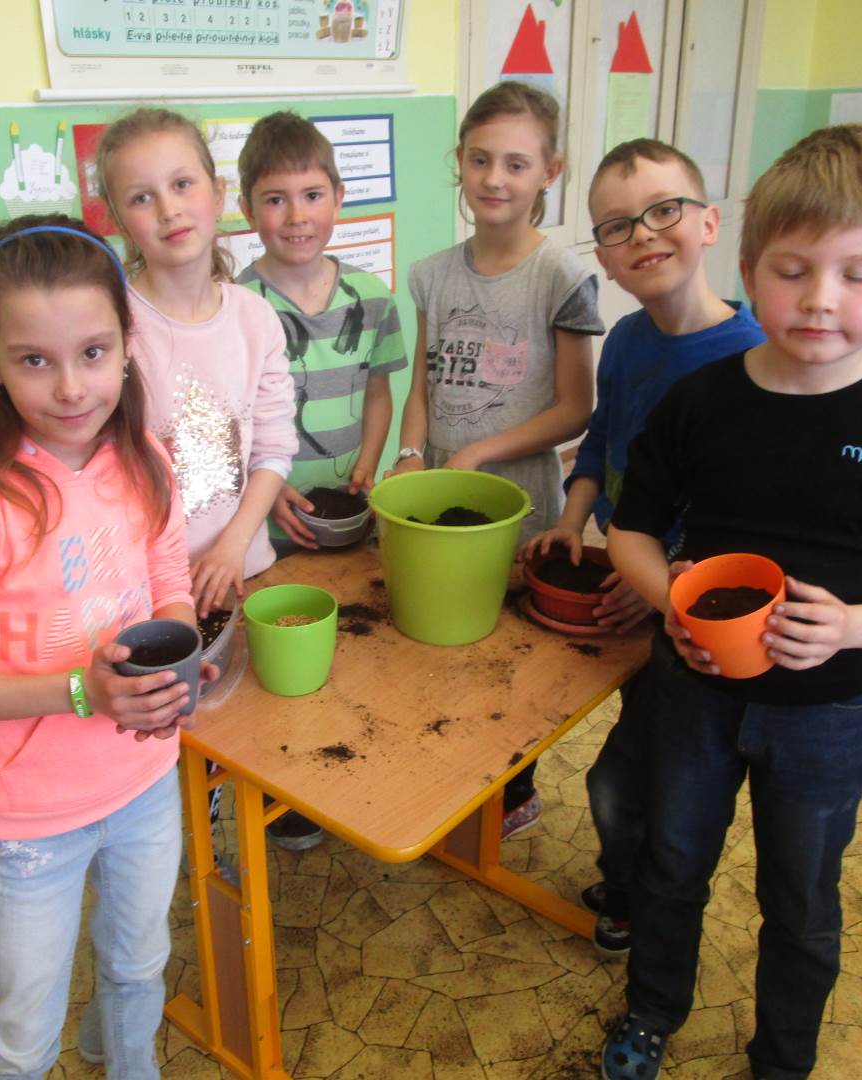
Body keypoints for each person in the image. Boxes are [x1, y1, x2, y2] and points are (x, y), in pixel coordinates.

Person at [598, 123, 862, 1080]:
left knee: (801, 897)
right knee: (669, 864)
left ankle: (782, 1058)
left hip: (826, 711)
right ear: (747, 268)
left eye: (857, 274)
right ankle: (651, 1011)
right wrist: (672, 601)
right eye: (791, 270)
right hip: (693, 691)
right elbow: (631, 533)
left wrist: (852, 626)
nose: (819, 299)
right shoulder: (699, 402)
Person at [0, 216, 213, 1080]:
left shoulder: (143, 456)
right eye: (34, 359)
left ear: (125, 344)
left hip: (144, 779)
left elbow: (167, 574)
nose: (71, 388)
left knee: (138, 966)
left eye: (93, 353)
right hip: (31, 815)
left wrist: (179, 653)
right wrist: (80, 692)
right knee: (21, 1035)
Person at [519, 139, 764, 959]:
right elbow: (598, 443)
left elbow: (739, 520)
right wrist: (572, 517)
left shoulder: (749, 360)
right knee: (623, 766)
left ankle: (641, 902)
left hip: (689, 609)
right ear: (604, 257)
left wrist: (655, 581)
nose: (644, 235)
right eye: (618, 226)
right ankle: (626, 879)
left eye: (664, 211)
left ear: (708, 222)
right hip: (634, 572)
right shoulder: (624, 339)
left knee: (644, 780)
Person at [388, 80, 602, 839]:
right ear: (460, 161)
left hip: (520, 502)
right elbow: (422, 383)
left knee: (511, 659)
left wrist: (480, 450)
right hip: (439, 501)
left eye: (516, 163)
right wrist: (411, 452)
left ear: (550, 172)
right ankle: (449, 777)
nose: (494, 179)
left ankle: (513, 790)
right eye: (479, 160)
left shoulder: (562, 278)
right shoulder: (431, 274)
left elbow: (576, 407)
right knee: (440, 643)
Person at [235, 109, 410, 851]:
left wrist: (370, 457)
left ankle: (344, 772)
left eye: (311, 195)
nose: (296, 216)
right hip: (268, 524)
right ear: (247, 209)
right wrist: (269, 488)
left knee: (354, 646)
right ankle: (284, 790)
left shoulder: (371, 294)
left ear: (338, 197)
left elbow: (379, 389)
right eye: (274, 199)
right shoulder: (237, 305)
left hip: (349, 513)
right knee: (280, 658)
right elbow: (232, 415)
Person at [96, 107, 298, 620]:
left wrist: (233, 545)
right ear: (118, 220)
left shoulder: (255, 318)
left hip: (245, 570)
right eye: (142, 198)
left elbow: (274, 449)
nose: (169, 209)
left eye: (182, 184)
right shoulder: (109, 328)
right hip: (145, 598)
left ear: (218, 193)